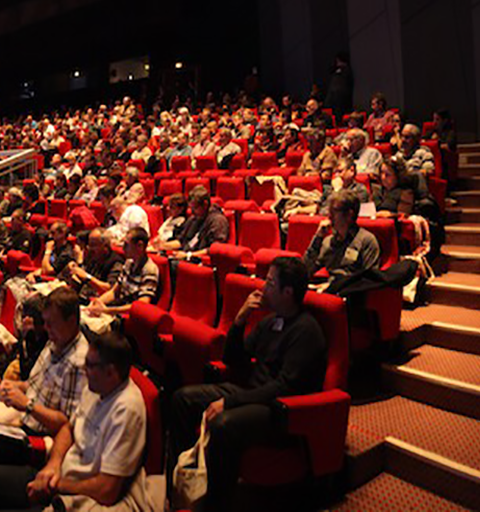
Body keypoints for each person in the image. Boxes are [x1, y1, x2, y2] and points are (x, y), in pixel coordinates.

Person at [166, 257, 326, 511]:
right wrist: (240, 320)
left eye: (271, 283)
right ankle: (176, 490)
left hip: (280, 411)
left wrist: (229, 402)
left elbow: (283, 387)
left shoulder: (306, 331)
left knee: (222, 424)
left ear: (288, 292)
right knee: (182, 399)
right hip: (252, 395)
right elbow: (234, 359)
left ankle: (216, 505)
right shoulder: (271, 321)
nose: (263, 287)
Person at [0, 331, 152, 512]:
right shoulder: (96, 386)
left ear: (110, 372)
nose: (84, 370)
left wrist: (54, 484)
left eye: (90, 365)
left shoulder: (127, 410)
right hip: (58, 475)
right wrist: (53, 465)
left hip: (74, 497)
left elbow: (107, 490)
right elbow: (68, 428)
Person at [0, 287, 89, 498]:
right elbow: (32, 384)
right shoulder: (55, 341)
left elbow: (66, 426)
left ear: (71, 321)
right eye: (45, 322)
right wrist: (12, 386)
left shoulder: (81, 362)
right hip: (25, 413)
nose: (46, 329)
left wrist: (27, 404)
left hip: (40, 432)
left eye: (52, 323)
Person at [303, 193, 381, 293]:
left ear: (349, 214)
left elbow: (369, 279)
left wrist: (334, 286)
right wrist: (318, 237)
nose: (329, 216)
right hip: (327, 290)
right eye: (329, 210)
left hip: (351, 294)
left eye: (334, 211)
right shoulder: (328, 241)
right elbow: (306, 271)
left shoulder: (366, 240)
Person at [85, 228, 159, 318]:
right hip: (116, 309)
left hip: (129, 317)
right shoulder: (128, 263)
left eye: (126, 245)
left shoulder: (150, 269)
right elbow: (114, 292)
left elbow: (142, 305)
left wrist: (108, 311)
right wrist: (97, 303)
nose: (123, 248)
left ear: (140, 246)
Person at [63, 231, 123, 302]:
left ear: (105, 246)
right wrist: (75, 268)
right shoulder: (92, 256)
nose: (89, 248)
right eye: (89, 244)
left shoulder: (116, 262)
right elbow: (81, 274)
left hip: (97, 303)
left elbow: (110, 289)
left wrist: (87, 277)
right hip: (81, 298)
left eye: (93, 245)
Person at [176, 187, 229, 259]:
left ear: (205, 204)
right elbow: (182, 240)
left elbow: (214, 249)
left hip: (200, 261)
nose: (192, 212)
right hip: (187, 255)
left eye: (195, 208)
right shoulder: (194, 219)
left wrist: (189, 255)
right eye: (191, 208)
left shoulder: (218, 221)